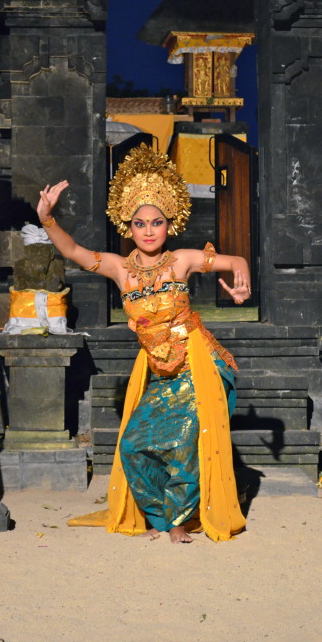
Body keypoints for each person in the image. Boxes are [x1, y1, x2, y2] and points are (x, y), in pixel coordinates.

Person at [36, 144, 250, 543]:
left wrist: (242, 282)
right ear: (127, 226)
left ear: (169, 224)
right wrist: (47, 218)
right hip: (159, 374)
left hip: (196, 367)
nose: (149, 230)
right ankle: (159, 516)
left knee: (187, 441)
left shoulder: (182, 260)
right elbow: (72, 251)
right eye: (140, 223)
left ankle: (179, 522)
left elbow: (236, 260)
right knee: (133, 446)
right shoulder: (118, 269)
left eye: (156, 222)